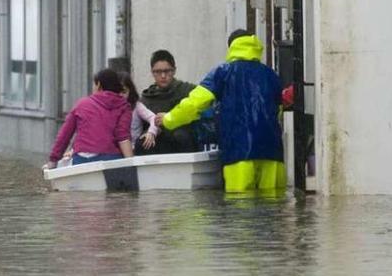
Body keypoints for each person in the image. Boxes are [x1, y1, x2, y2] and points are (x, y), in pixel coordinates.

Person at [155, 30, 286, 193]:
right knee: (272, 210)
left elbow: (195, 104)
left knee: (240, 211)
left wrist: (169, 119)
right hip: (272, 153)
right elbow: (278, 110)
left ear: (231, 47)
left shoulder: (222, 72)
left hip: (239, 152)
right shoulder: (271, 75)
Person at [45, 68, 133, 169]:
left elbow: (64, 134)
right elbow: (123, 137)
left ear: (98, 84)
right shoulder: (123, 106)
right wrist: (131, 165)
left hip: (81, 159)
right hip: (109, 159)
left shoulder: (82, 104)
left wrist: (53, 160)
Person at [138, 50, 198, 154]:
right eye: (158, 72)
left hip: (185, 149)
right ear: (152, 72)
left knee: (180, 135)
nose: (163, 76)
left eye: (167, 71)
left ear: (174, 71)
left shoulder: (188, 91)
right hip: (156, 155)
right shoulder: (146, 100)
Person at [118, 71, 159, 153]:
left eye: (124, 92)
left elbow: (153, 118)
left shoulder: (136, 106)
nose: (120, 95)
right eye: (117, 92)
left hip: (134, 148)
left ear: (130, 91)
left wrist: (151, 132)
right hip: (116, 150)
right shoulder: (109, 108)